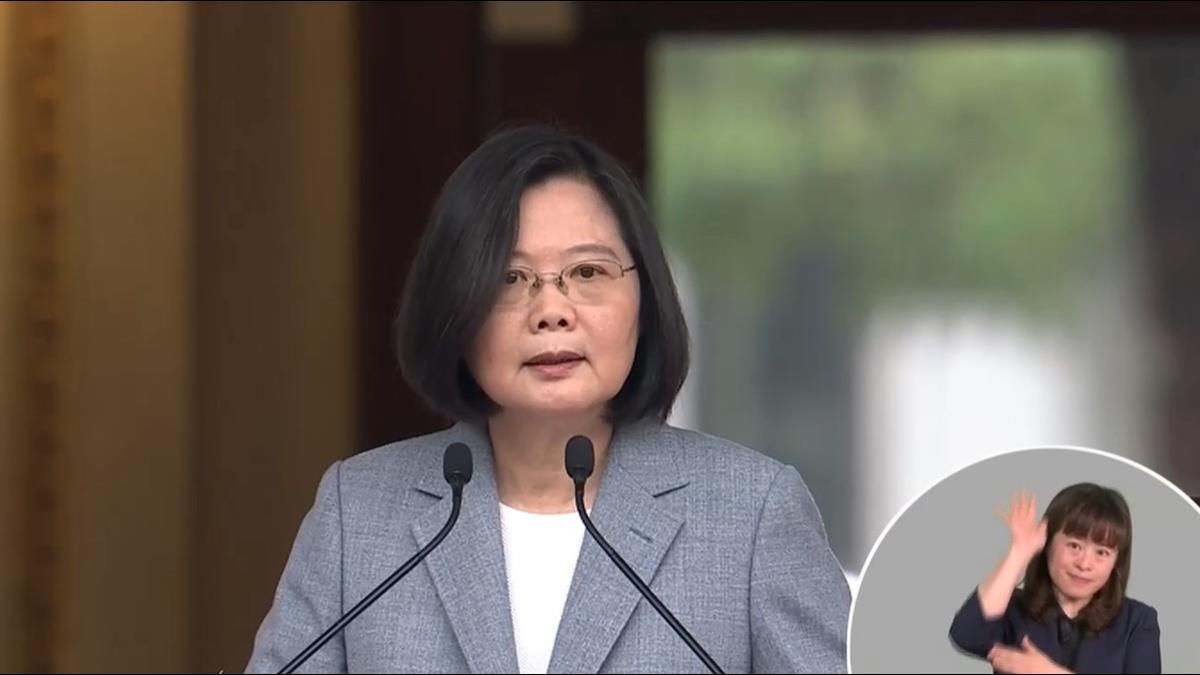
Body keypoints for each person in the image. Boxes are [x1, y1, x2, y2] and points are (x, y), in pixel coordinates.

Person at [244, 125, 851, 673]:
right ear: (455, 305)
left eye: (587, 273)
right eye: (510, 278)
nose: (552, 311)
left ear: (645, 296)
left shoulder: (751, 516)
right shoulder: (358, 513)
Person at [949, 484, 1161, 674]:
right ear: (1048, 543)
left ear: (1116, 561)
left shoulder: (1138, 621)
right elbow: (967, 635)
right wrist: (1019, 552)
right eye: (1074, 546)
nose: (1085, 564)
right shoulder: (1013, 609)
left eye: (1102, 553)